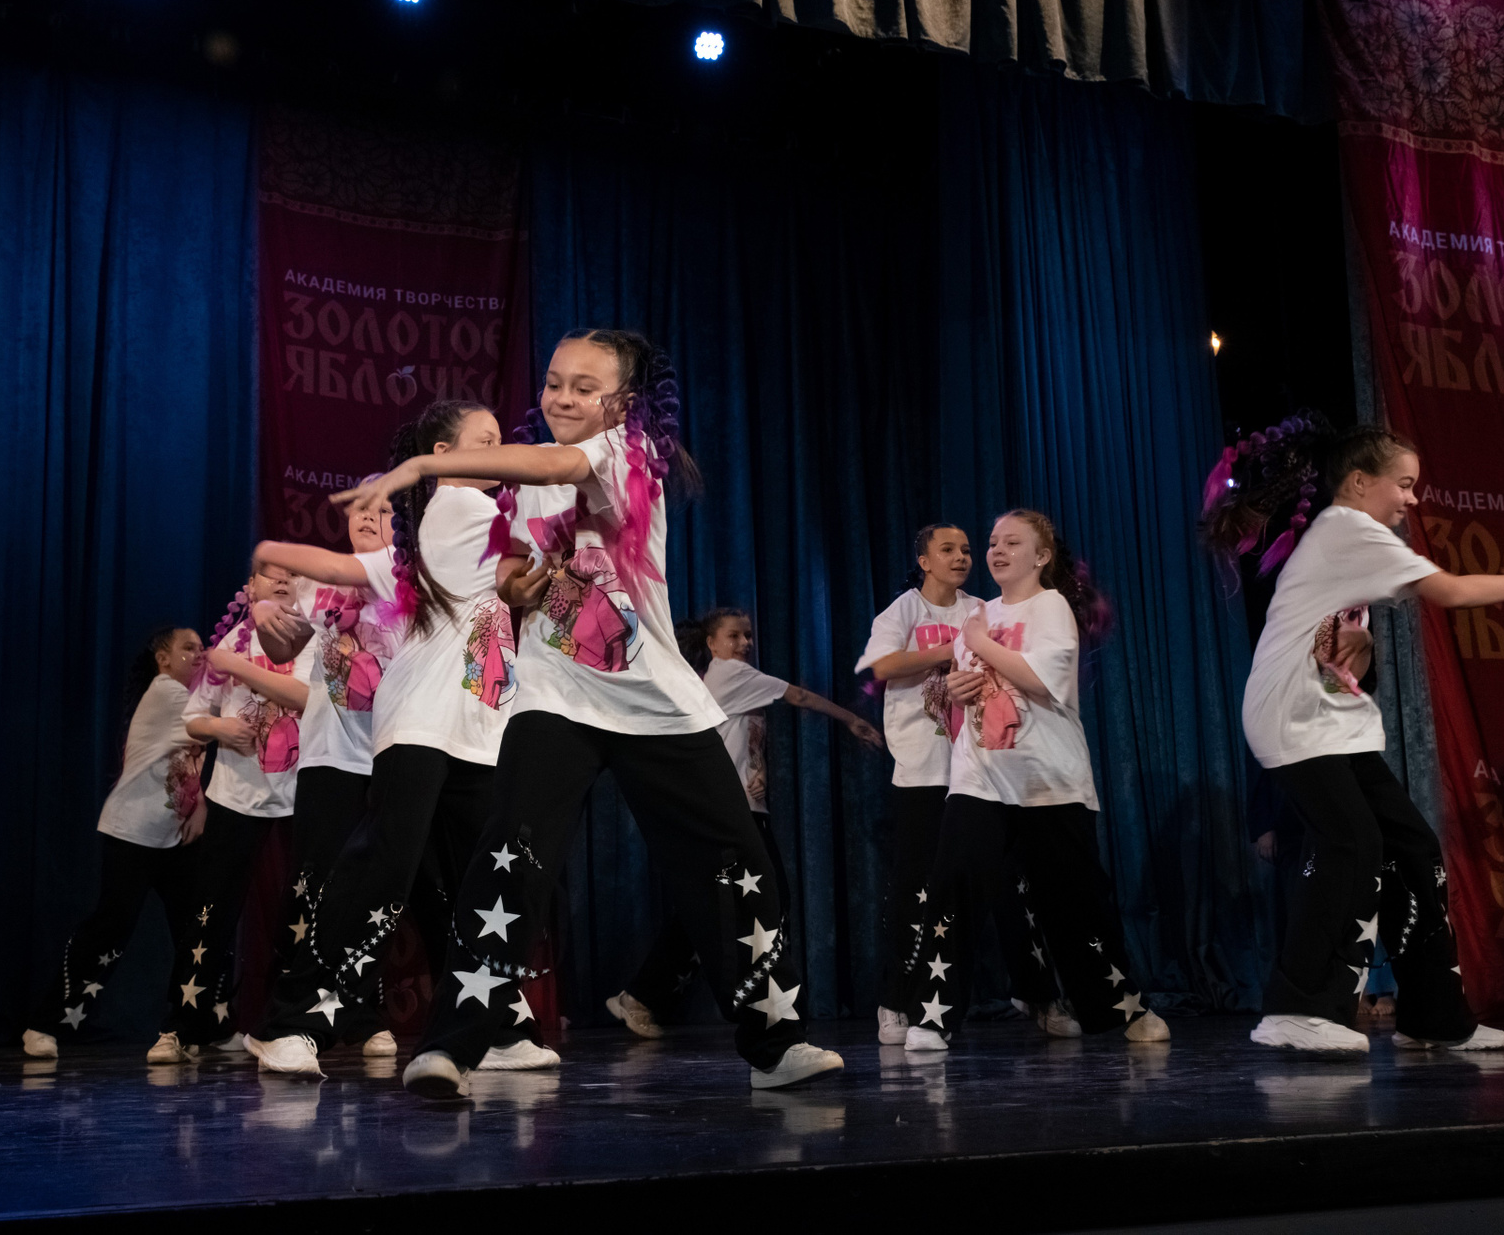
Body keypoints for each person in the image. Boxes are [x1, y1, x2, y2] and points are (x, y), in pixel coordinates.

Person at [330, 328, 844, 1098]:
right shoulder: (522, 483)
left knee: (734, 861)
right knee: (507, 858)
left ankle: (776, 1043)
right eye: (553, 382)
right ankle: (452, 1047)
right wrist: (524, 586)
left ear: (622, 402)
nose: (561, 398)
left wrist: (426, 465)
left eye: (583, 386)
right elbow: (510, 573)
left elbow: (561, 465)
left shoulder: (628, 452)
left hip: (652, 700)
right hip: (555, 697)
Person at [1201, 417, 1504, 1053]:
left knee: (1412, 848)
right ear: (1360, 482)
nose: (1413, 497)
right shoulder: (1348, 528)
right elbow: (1448, 590)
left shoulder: (1346, 538)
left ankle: (1433, 1015)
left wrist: (1360, 644)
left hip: (1336, 722)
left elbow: (1332, 636)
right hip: (1294, 719)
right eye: (1403, 484)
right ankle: (1295, 1006)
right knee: (1351, 843)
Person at [244, 400, 537, 1077]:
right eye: (484, 441)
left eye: (501, 440)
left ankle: (493, 1026)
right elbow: (532, 552)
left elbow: (514, 581)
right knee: (380, 874)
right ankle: (292, 1021)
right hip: (423, 726)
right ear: (442, 457)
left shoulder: (450, 533)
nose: (499, 453)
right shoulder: (461, 507)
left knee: (476, 881)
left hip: (476, 729)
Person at [901, 510, 1170, 1051]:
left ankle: (1124, 1007)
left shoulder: (1050, 607)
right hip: (980, 777)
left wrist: (979, 640)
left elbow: (1043, 681)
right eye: (993, 542)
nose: (996, 551)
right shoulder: (980, 615)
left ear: (1041, 556)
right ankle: (932, 1016)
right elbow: (968, 691)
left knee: (1075, 903)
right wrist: (955, 689)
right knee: (953, 887)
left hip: (1048, 781)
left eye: (1012, 543)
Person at [607, 608, 885, 1036]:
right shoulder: (731, 674)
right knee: (762, 902)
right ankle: (759, 1004)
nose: (744, 644)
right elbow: (800, 697)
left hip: (742, 809)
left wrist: (760, 770)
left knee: (713, 907)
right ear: (712, 644)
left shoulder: (734, 681)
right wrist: (852, 720)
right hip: (732, 815)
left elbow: (738, 739)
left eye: (748, 635)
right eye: (734, 636)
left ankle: (643, 996)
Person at [860, 525, 1068, 1045]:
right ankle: (898, 1001)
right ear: (924, 560)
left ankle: (1038, 994)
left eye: (967, 550)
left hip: (980, 769)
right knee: (917, 888)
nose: (962, 557)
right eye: (947, 550)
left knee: (1011, 883)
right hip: (923, 770)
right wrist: (952, 649)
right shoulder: (904, 611)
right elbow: (881, 665)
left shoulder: (983, 609)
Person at [254, 491, 407, 1059]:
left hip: (394, 752)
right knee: (316, 889)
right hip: (330, 756)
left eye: (384, 510)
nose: (367, 516)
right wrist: (265, 616)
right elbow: (283, 641)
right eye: (360, 507)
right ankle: (294, 1018)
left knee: (379, 891)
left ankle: (362, 1013)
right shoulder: (316, 583)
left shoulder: (408, 576)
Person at [146, 562, 317, 1063]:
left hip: (302, 794)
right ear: (249, 588)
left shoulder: (313, 637)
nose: (282, 579)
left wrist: (237, 668)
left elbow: (308, 699)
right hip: (235, 796)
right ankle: (181, 1027)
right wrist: (220, 729)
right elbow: (193, 719)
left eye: (291, 574)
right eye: (269, 574)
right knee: (210, 912)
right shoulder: (231, 644)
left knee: (306, 912)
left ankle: (293, 1025)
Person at [22, 628, 209, 1058]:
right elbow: (218, 726)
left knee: (199, 929)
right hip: (132, 834)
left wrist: (201, 805)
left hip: (173, 839)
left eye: (203, 648)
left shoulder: (188, 700)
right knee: (109, 931)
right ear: (163, 660)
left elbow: (195, 761)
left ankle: (204, 1025)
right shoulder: (167, 692)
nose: (200, 655)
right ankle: (45, 1025)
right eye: (188, 648)